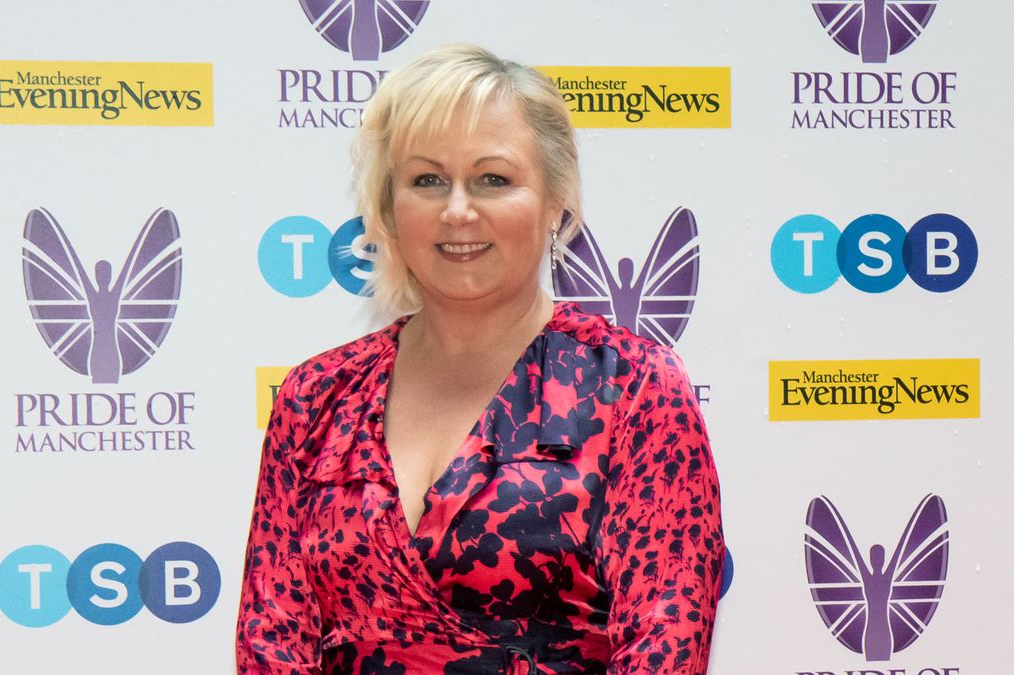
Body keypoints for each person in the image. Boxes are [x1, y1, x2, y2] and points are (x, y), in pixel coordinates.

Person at [236, 43, 724, 674]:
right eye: (427, 180)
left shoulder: (632, 388)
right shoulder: (316, 395)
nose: (457, 209)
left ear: (555, 203)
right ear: (388, 209)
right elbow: (271, 639)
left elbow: (666, 647)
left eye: (493, 178)